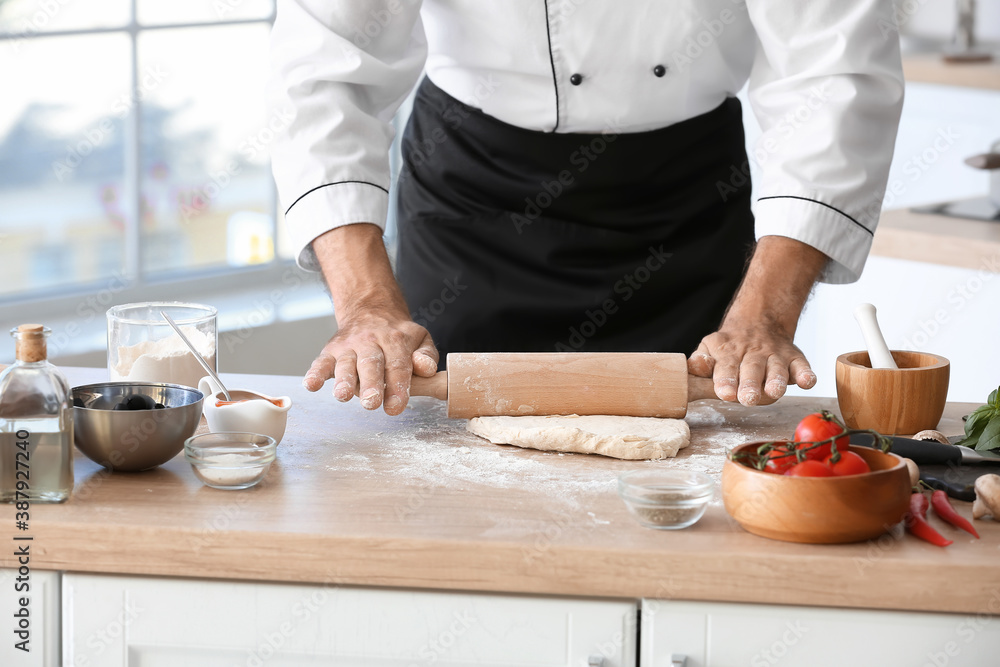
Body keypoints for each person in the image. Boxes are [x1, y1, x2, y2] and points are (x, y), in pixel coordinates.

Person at [268, 1, 904, 415]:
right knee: (451, 455)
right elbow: (327, 71)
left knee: (703, 460)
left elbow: (834, 77)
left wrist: (766, 312)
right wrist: (367, 304)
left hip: (683, 204)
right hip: (476, 200)